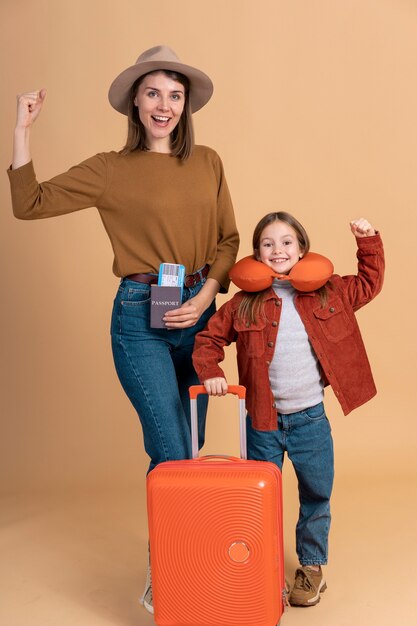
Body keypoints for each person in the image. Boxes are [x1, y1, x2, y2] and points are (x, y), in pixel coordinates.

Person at [8, 45, 239, 614]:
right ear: (135, 101)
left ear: (186, 106)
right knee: (171, 452)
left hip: (199, 313)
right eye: (154, 93)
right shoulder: (109, 169)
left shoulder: (207, 160)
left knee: (190, 447)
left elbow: (229, 241)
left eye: (175, 95)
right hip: (142, 315)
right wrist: (22, 129)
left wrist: (208, 293)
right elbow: (29, 203)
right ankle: (175, 573)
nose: (165, 106)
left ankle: (183, 560)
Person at [193, 211, 384, 608]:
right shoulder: (243, 304)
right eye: (267, 243)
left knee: (316, 493)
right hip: (262, 421)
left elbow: (369, 283)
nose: (277, 249)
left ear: (302, 249)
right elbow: (208, 338)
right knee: (260, 498)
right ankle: (259, 566)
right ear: (257, 253)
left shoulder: (330, 291)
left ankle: (311, 568)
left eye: (285, 242)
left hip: (310, 420)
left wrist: (368, 242)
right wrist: (210, 371)